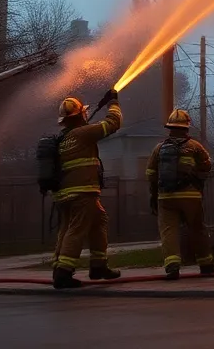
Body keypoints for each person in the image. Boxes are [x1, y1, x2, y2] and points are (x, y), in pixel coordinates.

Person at [51, 90, 122, 289]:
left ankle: (97, 266)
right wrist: (113, 104)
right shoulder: (83, 133)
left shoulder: (63, 139)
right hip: (83, 193)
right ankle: (64, 273)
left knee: (94, 221)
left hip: (64, 194)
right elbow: (113, 124)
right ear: (81, 115)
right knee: (76, 229)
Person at [146, 109, 214, 280]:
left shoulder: (159, 148)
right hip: (190, 196)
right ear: (186, 128)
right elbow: (207, 166)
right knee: (197, 229)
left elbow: (150, 174)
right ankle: (206, 265)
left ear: (169, 128)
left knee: (168, 231)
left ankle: (172, 267)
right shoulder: (195, 146)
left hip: (166, 197)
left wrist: (154, 195)